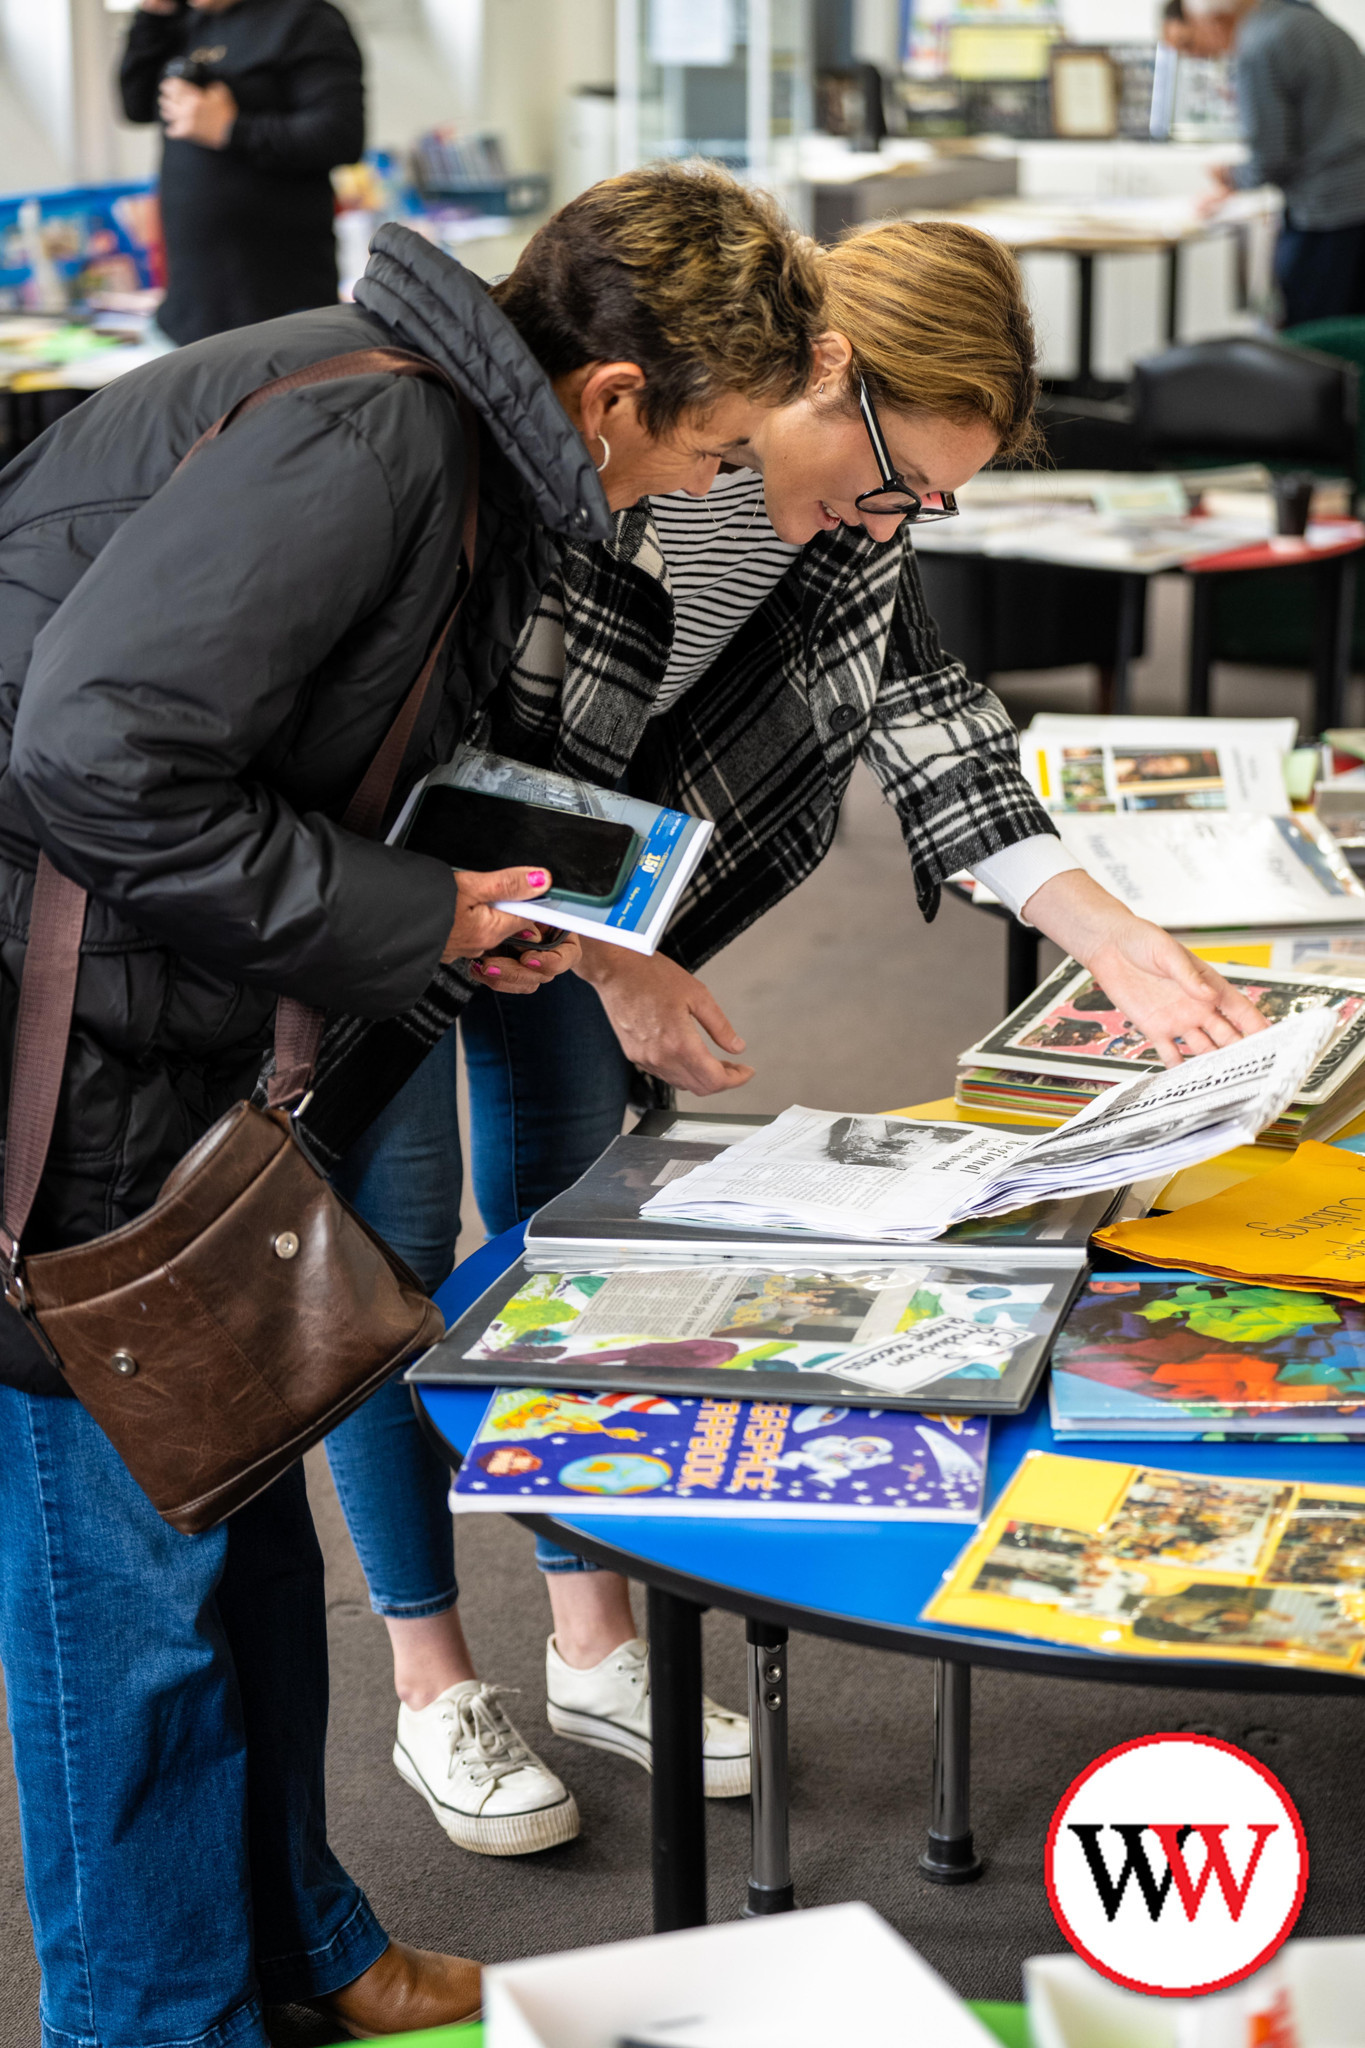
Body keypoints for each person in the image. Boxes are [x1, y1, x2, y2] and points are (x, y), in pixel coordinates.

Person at [319, 205, 1268, 1865]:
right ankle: (427, 1675)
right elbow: (469, 745)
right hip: (398, 873)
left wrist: (1114, 934)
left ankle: (598, 1635)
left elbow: (923, 709)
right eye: (901, 479)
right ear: (826, 373)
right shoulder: (616, 452)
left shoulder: (852, 496)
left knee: (568, 1230)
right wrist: (620, 960)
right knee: (387, 1264)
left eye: (938, 502)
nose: (900, 520)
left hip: (608, 883)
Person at [0, 165, 821, 2045]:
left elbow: (294, 730)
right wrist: (398, 913)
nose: (693, 494)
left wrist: (463, 912)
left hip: (163, 1017)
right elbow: (92, 751)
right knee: (125, 1590)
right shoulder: (377, 429)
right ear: (610, 395)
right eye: (696, 448)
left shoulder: (439, 430)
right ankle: (154, 2013)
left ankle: (295, 1942)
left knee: (238, 1521)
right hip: (60, 1054)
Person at [120, 0, 365, 343]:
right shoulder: (184, 22)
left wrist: (230, 128)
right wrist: (152, 16)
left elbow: (341, 136)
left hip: (278, 308)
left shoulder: (304, 19)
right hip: (189, 310)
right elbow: (134, 104)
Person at [1186, 0, 1365, 325]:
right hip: (1353, 207)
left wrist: (1229, 177)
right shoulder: (1319, 25)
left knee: (1313, 345)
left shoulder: (1258, 43)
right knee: (1352, 341)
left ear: (1214, 19)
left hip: (1325, 214)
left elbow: (1271, 158)